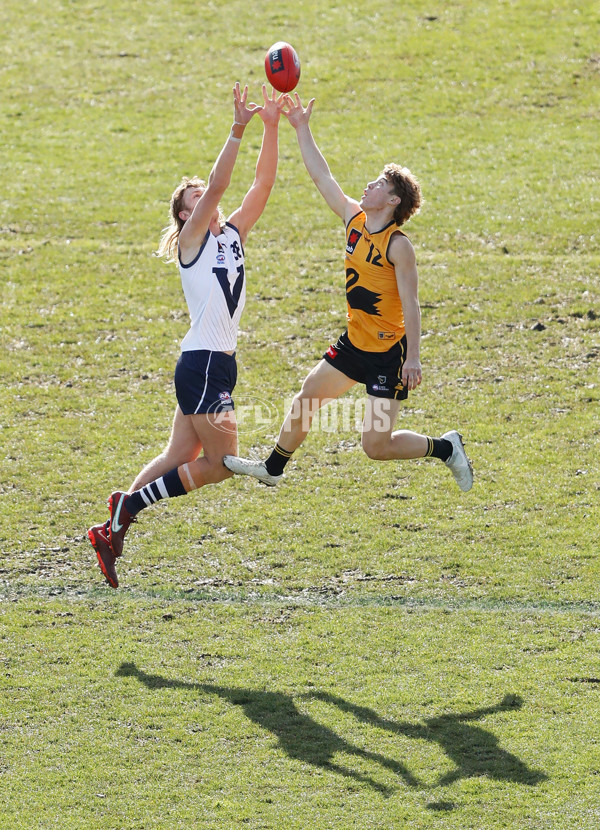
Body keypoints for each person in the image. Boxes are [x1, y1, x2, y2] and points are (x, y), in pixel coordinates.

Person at [87, 83, 286, 588]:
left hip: (214, 362)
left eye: (204, 195)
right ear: (185, 214)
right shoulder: (193, 241)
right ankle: (128, 506)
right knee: (218, 466)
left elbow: (260, 187)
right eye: (196, 199)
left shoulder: (233, 235)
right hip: (201, 363)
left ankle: (115, 524)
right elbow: (221, 187)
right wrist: (237, 128)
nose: (207, 199)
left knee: (179, 457)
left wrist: (269, 127)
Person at [224, 93, 473, 492]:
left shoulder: (398, 246)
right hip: (354, 344)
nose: (369, 185)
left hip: (388, 356)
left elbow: (412, 305)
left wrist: (414, 360)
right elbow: (323, 177)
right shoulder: (354, 220)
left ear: (392, 201)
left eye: (379, 184)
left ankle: (445, 449)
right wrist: (302, 128)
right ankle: (273, 467)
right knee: (308, 395)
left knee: (375, 446)